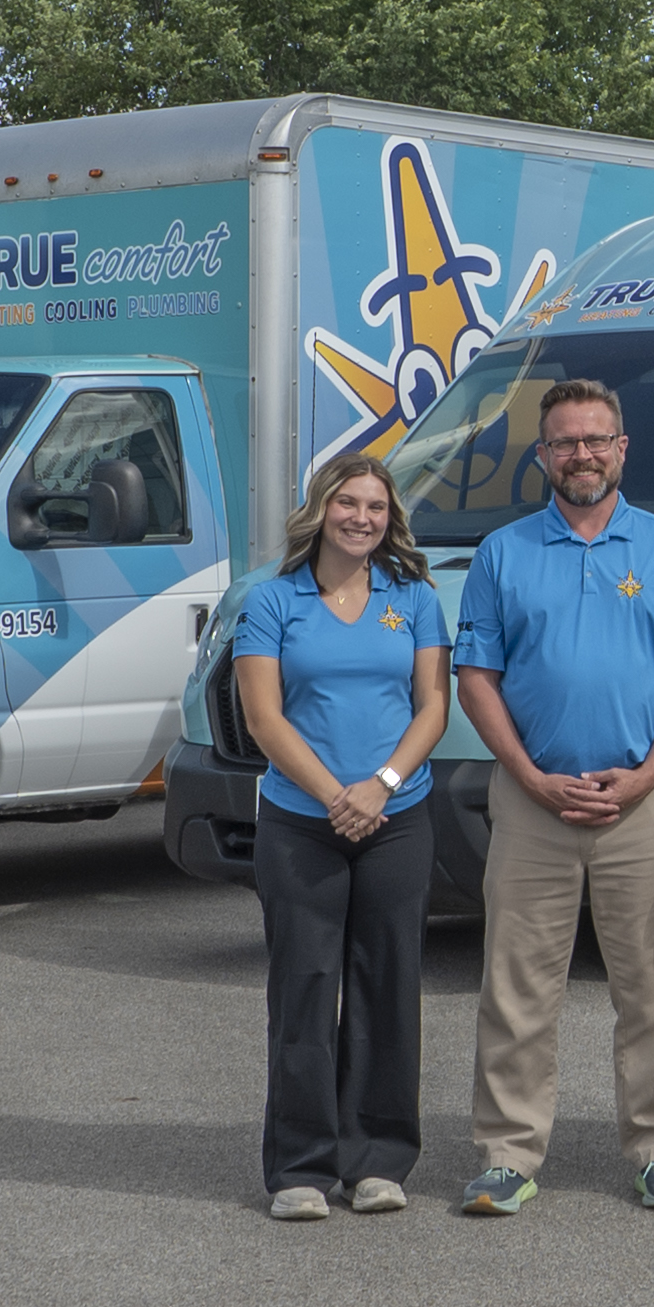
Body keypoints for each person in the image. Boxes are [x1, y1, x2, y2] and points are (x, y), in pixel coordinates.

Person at [452, 378, 654, 1216]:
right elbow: (475, 677)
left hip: (639, 801)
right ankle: (507, 1154)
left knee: (653, 984)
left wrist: (646, 776)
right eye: (565, 442)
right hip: (534, 799)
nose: (581, 455)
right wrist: (530, 775)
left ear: (622, 449)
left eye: (596, 440)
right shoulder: (502, 552)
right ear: (542, 456)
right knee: (516, 985)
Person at [232, 454, 451, 1222]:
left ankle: (378, 1161)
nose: (363, 518)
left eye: (377, 507)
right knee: (305, 988)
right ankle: (300, 1166)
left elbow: (432, 707)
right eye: (348, 503)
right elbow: (266, 718)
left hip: (397, 818)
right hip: (303, 822)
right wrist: (334, 796)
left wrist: (380, 786)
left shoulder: (415, 598)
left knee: (387, 988)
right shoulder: (272, 602)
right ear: (320, 510)